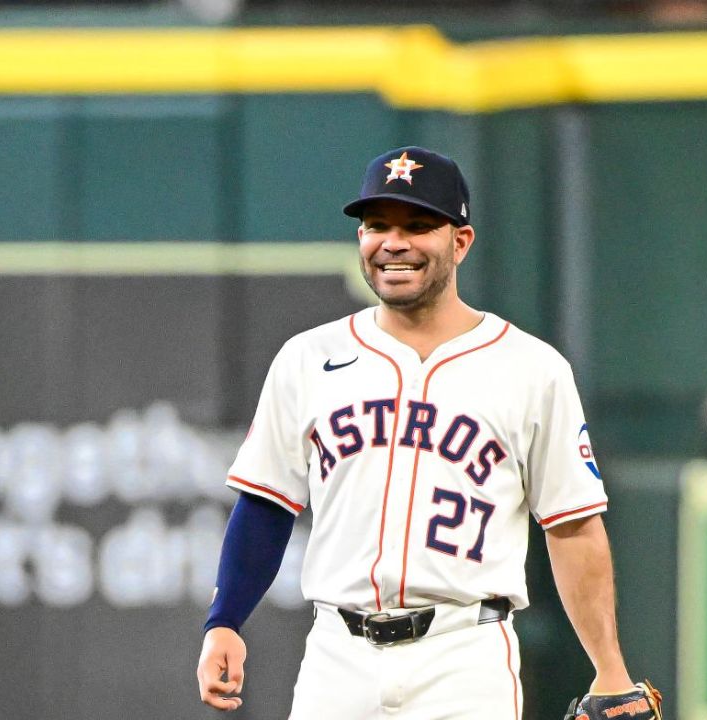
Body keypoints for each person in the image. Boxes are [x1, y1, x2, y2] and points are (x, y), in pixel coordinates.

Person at [195, 147, 659, 718]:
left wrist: (609, 667)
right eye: (377, 226)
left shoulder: (533, 368)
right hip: (338, 656)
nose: (394, 242)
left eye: (418, 226)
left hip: (464, 653)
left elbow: (572, 525)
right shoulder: (307, 358)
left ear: (460, 242)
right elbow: (266, 504)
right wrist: (226, 620)